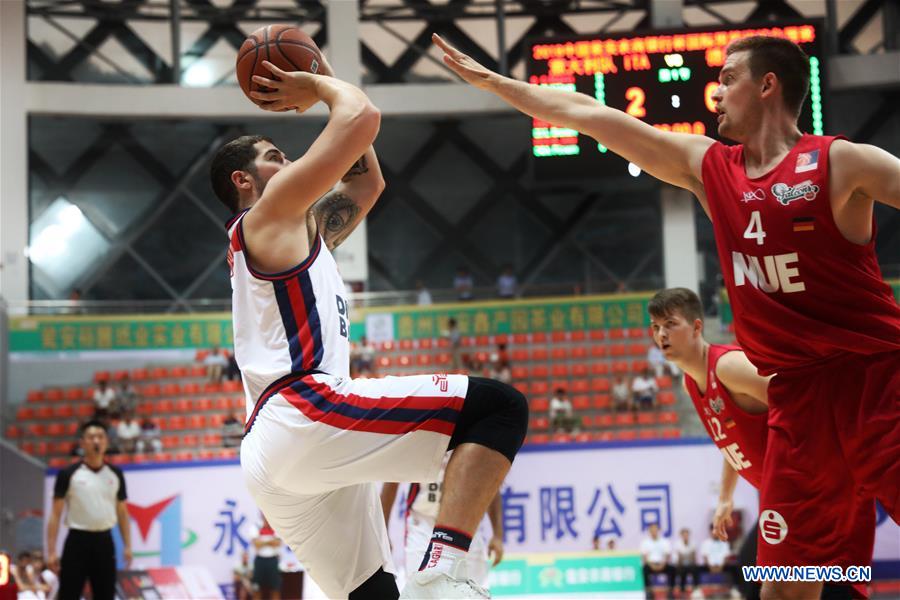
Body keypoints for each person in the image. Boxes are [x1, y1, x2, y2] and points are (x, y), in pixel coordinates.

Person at [434, 33, 900, 599]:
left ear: (768, 85)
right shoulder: (708, 167)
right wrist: (498, 84)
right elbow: (593, 116)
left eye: (729, 78)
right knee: (784, 589)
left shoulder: (842, 162)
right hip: (799, 406)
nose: (717, 91)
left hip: (879, 387)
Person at [211, 58, 528, 600]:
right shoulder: (266, 218)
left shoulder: (301, 232)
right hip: (303, 413)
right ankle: (443, 571)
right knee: (500, 407)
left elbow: (368, 178)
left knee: (372, 594)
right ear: (244, 180)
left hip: (281, 453)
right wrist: (314, 82)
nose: (287, 161)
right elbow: (362, 116)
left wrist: (326, 71)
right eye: (273, 157)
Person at [649, 287, 873, 599]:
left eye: (670, 324)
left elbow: (802, 404)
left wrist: (820, 474)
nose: (662, 334)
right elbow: (733, 438)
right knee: (788, 583)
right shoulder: (691, 384)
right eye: (656, 327)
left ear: (697, 327)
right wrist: (725, 497)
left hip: (810, 484)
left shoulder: (729, 367)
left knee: (778, 590)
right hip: (793, 491)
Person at [380, 455, 504, 588]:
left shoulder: (473, 440)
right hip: (424, 522)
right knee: (420, 586)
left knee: (475, 588)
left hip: (465, 522)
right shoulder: (421, 438)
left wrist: (498, 534)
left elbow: (490, 481)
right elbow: (392, 481)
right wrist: (383, 531)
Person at [47, 420, 132, 600]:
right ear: (82, 442)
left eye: (100, 437)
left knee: (105, 595)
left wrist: (128, 545)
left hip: (104, 541)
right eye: (91, 437)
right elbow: (55, 514)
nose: (96, 441)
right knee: (69, 594)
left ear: (107, 442)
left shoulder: (116, 474)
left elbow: (123, 512)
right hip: (77, 541)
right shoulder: (68, 474)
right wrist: (52, 550)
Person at [639, 523, 675, 600]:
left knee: (672, 569)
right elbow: (644, 557)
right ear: (649, 531)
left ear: (658, 530)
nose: (654, 531)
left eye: (655, 529)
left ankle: (670, 591)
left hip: (663, 564)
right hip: (650, 564)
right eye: (652, 529)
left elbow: (667, 555)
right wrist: (652, 565)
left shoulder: (665, 541)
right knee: (644, 569)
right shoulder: (645, 542)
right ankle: (649, 591)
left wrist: (662, 564)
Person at [251, 517, 282, 600]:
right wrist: (270, 541)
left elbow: (278, 543)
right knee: (256, 588)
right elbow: (256, 544)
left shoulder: (276, 527)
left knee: (275, 588)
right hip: (260, 561)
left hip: (272, 561)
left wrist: (263, 542)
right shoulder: (256, 526)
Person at [673, 528, 700, 597]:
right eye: (684, 535)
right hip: (681, 565)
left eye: (687, 535)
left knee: (695, 568)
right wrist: (687, 556)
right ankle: (682, 590)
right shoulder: (677, 544)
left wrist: (685, 557)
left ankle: (696, 589)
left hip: (691, 565)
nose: (685, 536)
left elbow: (693, 557)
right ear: (681, 536)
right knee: (681, 569)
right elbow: (679, 558)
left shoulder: (693, 544)